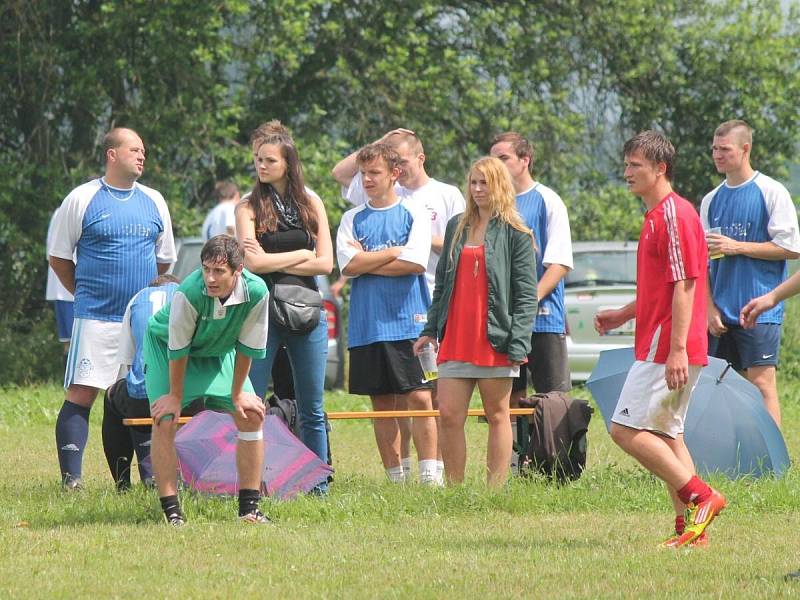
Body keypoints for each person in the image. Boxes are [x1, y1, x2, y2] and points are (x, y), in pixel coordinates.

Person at [594, 130, 725, 548]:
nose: (627, 172)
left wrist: (678, 350)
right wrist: (623, 314)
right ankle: (690, 529)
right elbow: (662, 288)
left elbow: (686, 285)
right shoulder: (655, 216)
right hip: (664, 345)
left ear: (660, 168)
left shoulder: (674, 214)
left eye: (636, 165)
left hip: (666, 348)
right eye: (627, 164)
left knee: (624, 430)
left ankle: (702, 497)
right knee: (669, 436)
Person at [333, 128, 465, 478]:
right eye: (364, 174)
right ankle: (396, 475)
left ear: (394, 174)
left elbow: (415, 263)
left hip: (410, 320)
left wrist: (372, 259)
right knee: (381, 402)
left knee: (421, 396)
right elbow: (348, 264)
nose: (367, 180)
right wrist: (392, 253)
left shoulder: (415, 213)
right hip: (367, 324)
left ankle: (430, 474)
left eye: (374, 173)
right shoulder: (352, 219)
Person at [48, 127, 176, 489]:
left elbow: (164, 261)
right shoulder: (82, 198)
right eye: (134, 149)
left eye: (144, 151)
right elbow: (58, 257)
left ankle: (142, 480)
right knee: (83, 392)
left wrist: (142, 304)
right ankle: (71, 480)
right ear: (112, 154)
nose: (142, 156)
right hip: (95, 317)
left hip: (142, 324)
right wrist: (84, 293)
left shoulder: (154, 200)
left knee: (137, 396)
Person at [414, 157, 538, 487]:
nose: (478, 189)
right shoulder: (457, 225)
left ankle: (494, 490)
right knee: (449, 414)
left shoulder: (516, 232)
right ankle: (455, 489)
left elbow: (526, 295)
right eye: (473, 182)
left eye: (485, 183)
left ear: (500, 186)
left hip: (496, 338)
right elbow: (441, 284)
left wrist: (519, 342)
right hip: (456, 336)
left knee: (498, 415)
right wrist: (429, 330)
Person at [145, 235, 270, 526]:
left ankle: (249, 510)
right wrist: (175, 396)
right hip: (168, 350)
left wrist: (238, 393)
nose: (210, 278)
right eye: (206, 269)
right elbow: (178, 348)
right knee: (165, 419)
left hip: (217, 350)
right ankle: (172, 512)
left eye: (219, 271)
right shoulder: (188, 292)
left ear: (238, 271)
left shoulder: (257, 291)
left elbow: (248, 347)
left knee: (251, 415)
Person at [235, 129, 333, 479]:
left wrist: (277, 257)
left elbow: (326, 264)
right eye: (258, 160)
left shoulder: (311, 202)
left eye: (269, 160)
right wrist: (302, 253)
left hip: (308, 312)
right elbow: (253, 265)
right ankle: (253, 483)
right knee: (252, 404)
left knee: (312, 408)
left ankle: (317, 483)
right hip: (262, 314)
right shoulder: (247, 207)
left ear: (288, 163)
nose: (261, 165)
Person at [701, 120, 800, 429]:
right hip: (721, 311)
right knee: (719, 386)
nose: (717, 155)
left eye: (725, 149)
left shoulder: (770, 191)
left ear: (745, 149)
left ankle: (774, 464)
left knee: (760, 382)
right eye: (714, 148)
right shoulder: (710, 199)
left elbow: (790, 248)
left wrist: (737, 247)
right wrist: (708, 308)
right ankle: (732, 457)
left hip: (759, 307)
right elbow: (704, 263)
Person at [489, 132, 573, 402]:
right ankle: (514, 446)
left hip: (543, 318)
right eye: (493, 160)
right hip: (503, 321)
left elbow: (560, 263)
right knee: (508, 399)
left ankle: (554, 446)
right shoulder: (490, 205)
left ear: (525, 160)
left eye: (503, 158)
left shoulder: (548, 200)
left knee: (552, 399)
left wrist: (530, 300)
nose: (497, 166)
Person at [101, 273, 200, 491]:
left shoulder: (138, 299)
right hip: (191, 398)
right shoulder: (192, 297)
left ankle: (123, 483)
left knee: (112, 396)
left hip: (143, 403)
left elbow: (130, 362)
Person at [46, 207, 74, 364]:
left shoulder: (61, 211)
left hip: (65, 288)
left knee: (70, 342)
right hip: (67, 289)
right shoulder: (67, 210)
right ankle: (68, 384)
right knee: (70, 342)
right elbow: (52, 255)